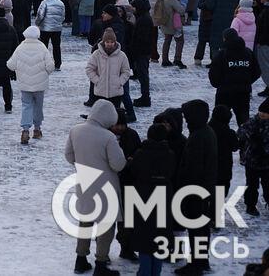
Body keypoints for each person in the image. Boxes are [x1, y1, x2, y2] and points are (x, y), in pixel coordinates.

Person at [65, 99, 126, 275]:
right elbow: (118, 164)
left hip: (85, 184)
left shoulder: (75, 130)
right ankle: (101, 263)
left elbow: (69, 156)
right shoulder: (108, 137)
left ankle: (81, 259)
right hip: (106, 187)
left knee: (85, 222)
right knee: (106, 225)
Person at [126, 124, 176, 276]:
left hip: (143, 197)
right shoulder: (170, 154)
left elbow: (133, 172)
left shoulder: (141, 154)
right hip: (163, 198)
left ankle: (145, 272)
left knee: (144, 238)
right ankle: (156, 272)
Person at [176, 99, 218, 275]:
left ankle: (196, 264)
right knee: (202, 229)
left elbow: (192, 168)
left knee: (196, 230)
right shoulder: (207, 131)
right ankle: (201, 261)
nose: (184, 119)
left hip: (195, 190)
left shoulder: (197, 137)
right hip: (205, 188)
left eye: (186, 115)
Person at [7, 26, 54, 144]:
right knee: (38, 105)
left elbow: (10, 65)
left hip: (25, 84)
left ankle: (25, 130)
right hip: (40, 84)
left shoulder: (20, 48)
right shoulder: (43, 48)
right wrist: (45, 73)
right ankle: (37, 129)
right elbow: (50, 66)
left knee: (26, 105)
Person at [209, 28, 261, 129]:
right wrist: (247, 82)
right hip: (243, 92)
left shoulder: (222, 54)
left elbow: (214, 74)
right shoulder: (248, 53)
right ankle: (245, 141)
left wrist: (219, 84)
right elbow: (257, 72)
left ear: (224, 39)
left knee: (219, 121)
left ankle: (220, 140)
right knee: (243, 120)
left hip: (224, 93)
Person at [85, 28, 131, 112]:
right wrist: (97, 81)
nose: (110, 44)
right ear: (103, 42)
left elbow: (126, 71)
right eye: (107, 42)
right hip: (100, 92)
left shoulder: (122, 56)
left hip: (116, 93)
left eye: (112, 42)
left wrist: (120, 82)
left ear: (115, 42)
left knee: (114, 116)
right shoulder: (96, 54)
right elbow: (89, 69)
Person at [238, 98, 269, 216]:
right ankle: (250, 206)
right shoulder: (253, 121)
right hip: (252, 161)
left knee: (267, 185)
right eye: (261, 111)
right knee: (251, 185)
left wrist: (264, 147)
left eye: (265, 113)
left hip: (266, 162)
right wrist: (249, 137)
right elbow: (240, 132)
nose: (262, 114)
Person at [35, 0, 65, 69]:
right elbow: (63, 17)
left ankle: (43, 62)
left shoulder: (45, 2)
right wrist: (58, 23)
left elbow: (40, 15)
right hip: (57, 28)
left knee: (44, 46)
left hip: (45, 28)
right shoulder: (61, 3)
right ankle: (57, 63)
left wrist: (37, 23)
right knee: (56, 46)